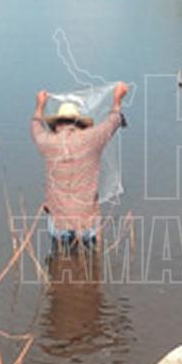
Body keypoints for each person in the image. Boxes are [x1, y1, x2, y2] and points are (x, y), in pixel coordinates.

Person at [32, 82, 128, 253]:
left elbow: (35, 127)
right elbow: (113, 120)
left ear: (57, 124)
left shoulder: (48, 142)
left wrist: (40, 105)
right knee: (91, 261)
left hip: (59, 223)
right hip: (87, 222)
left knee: (59, 260)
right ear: (80, 123)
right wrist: (117, 98)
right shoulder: (92, 139)